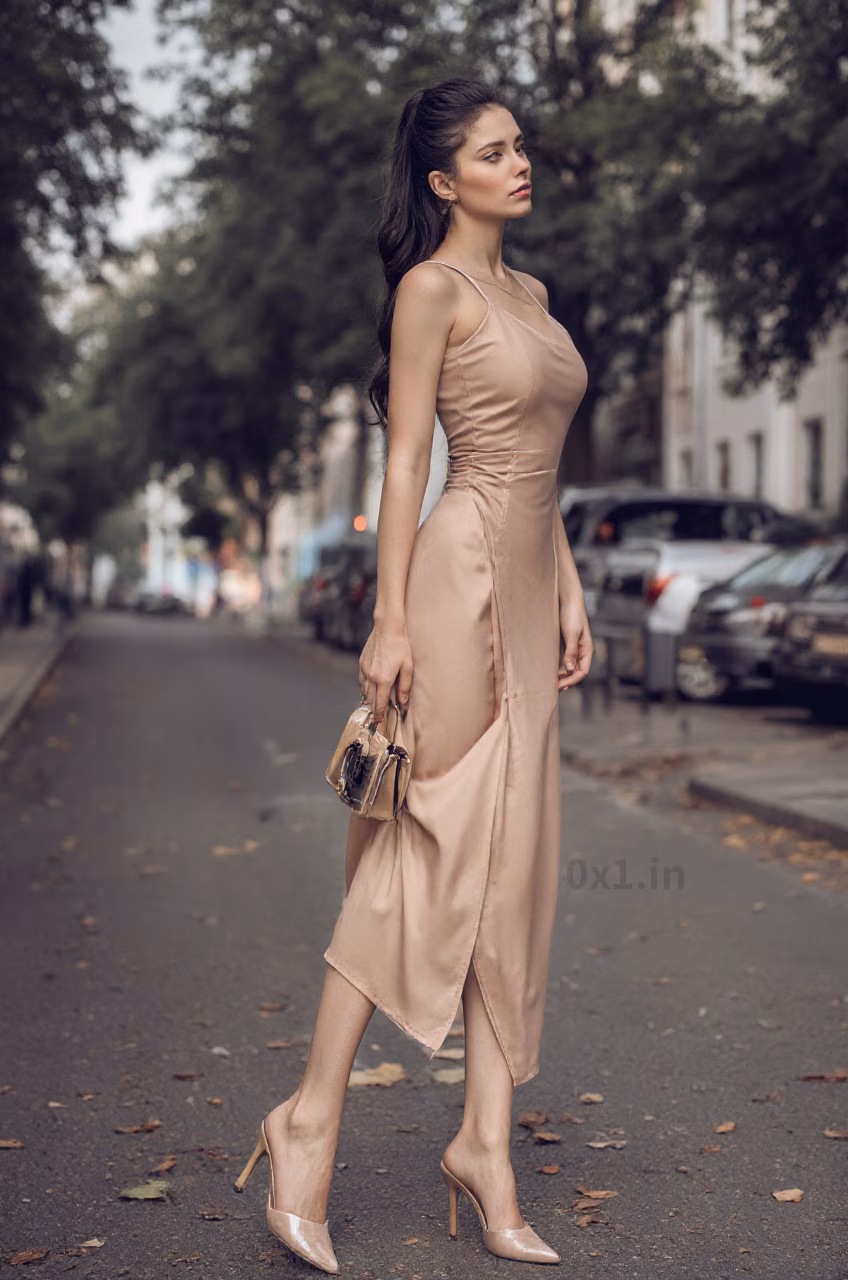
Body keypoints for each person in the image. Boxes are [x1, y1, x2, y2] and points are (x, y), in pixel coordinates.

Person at [233, 78, 592, 1273]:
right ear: (443, 181)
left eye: (518, 144)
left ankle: (485, 1142)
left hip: (533, 585)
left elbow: (544, 462)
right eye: (492, 152)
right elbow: (405, 465)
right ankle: (308, 1120)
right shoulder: (429, 288)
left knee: (515, 865)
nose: (517, 162)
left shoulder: (530, 295)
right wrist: (387, 615)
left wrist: (573, 586)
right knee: (421, 849)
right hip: (450, 586)